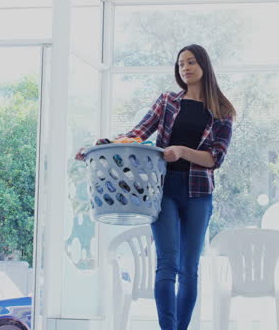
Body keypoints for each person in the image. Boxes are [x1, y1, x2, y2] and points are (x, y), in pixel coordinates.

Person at [76, 44, 235, 330]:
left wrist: (181, 151)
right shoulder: (168, 102)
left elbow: (215, 158)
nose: (184, 68)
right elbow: (137, 134)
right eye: (180, 64)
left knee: (189, 270)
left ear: (204, 66)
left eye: (191, 62)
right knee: (167, 265)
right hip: (162, 192)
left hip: (199, 194)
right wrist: (99, 147)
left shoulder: (222, 111)